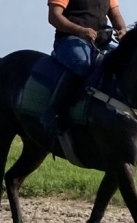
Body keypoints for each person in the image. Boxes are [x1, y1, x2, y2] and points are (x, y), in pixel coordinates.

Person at [43, 0, 127, 135]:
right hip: (70, 39)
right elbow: (54, 16)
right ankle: (53, 112)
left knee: (123, 63)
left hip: (101, 42)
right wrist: (79, 30)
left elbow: (115, 14)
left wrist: (122, 29)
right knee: (81, 63)